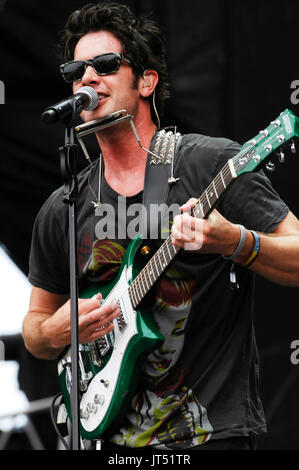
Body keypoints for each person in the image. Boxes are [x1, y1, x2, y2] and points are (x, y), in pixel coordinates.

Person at [22, 2, 299, 451]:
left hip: (209, 436)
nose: (87, 78)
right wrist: (54, 332)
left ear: (146, 81)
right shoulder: (64, 205)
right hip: (111, 441)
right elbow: (35, 326)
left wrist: (236, 242)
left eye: (106, 65)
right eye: (76, 70)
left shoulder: (208, 163)